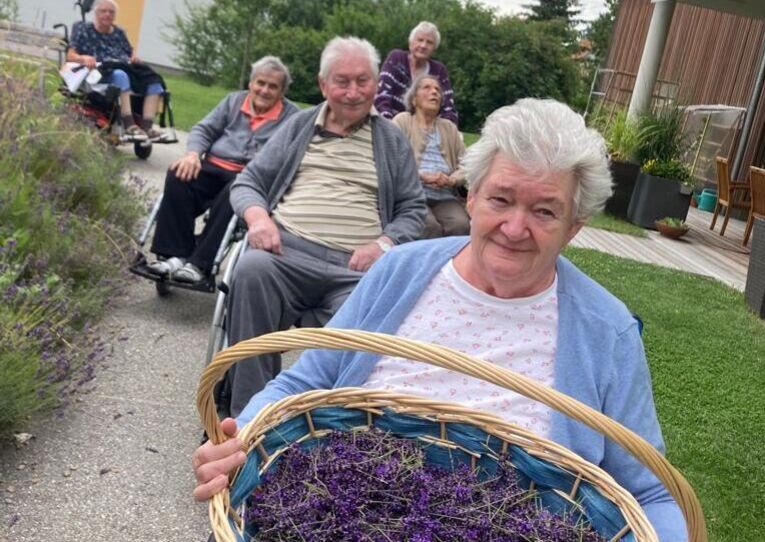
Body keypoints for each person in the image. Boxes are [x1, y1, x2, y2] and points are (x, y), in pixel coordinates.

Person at [192, 98, 687, 542]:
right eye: (500, 200)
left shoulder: (606, 330)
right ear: (470, 197)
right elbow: (303, 383)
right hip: (348, 504)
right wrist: (243, 436)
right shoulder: (401, 271)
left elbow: (652, 493)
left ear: (574, 227)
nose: (515, 228)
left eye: (544, 211)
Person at [218, 36, 426, 418]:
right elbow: (249, 182)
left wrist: (383, 244)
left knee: (373, 320)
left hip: (355, 269)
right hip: (286, 253)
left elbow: (413, 208)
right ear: (323, 84)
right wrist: (258, 218)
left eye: (362, 81)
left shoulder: (391, 139)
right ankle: (248, 420)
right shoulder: (299, 126)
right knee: (251, 270)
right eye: (342, 81)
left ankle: (325, 426)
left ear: (376, 83)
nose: (353, 92)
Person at [146, 57, 298, 284]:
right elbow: (204, 129)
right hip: (214, 166)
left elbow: (289, 157)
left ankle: (199, 264)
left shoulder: (292, 117)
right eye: (260, 83)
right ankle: (174, 256)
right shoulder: (234, 101)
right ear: (251, 83)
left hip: (250, 176)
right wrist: (193, 154)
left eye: (273, 86)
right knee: (178, 175)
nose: (264, 90)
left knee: (237, 191)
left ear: (282, 91)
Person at [66, 0, 165, 140]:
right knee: (120, 75)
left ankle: (147, 127)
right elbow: (70, 55)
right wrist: (83, 58)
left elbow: (129, 52)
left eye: (111, 12)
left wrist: (134, 57)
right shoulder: (83, 29)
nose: (107, 14)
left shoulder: (119, 33)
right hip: (99, 70)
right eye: (103, 11)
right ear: (96, 13)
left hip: (124, 66)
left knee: (154, 80)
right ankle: (130, 125)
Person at [393, 74, 469, 238]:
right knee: (428, 226)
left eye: (437, 90)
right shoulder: (402, 121)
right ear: (414, 99)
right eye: (427, 88)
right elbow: (392, 159)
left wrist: (452, 180)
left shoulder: (449, 128)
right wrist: (422, 176)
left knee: (460, 225)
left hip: (445, 194)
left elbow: (467, 165)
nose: (434, 92)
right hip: (413, 193)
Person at [375, 21, 458, 125]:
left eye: (429, 42)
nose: (423, 45)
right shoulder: (396, 59)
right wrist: (390, 127)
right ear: (410, 43)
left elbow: (448, 108)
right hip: (391, 123)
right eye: (420, 40)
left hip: (425, 128)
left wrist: (447, 129)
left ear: (434, 48)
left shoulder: (439, 71)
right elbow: (381, 96)